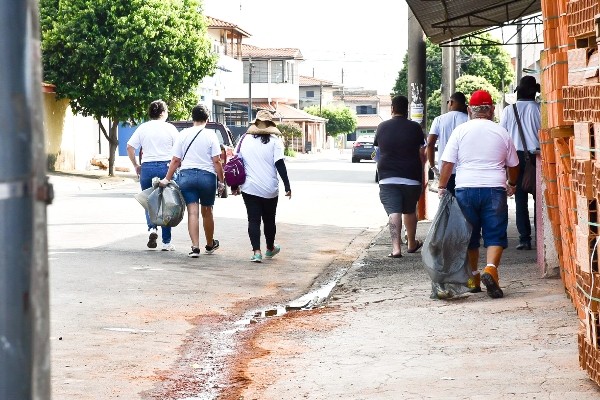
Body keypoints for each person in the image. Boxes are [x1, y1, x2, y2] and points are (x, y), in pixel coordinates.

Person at [438, 89, 520, 299]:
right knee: (495, 233)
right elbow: (514, 164)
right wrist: (511, 183)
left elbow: (448, 162)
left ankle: (474, 277)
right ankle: (491, 269)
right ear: (492, 110)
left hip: (465, 189)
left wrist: (441, 186)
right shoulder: (501, 132)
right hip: (494, 188)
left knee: (469, 235)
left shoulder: (460, 131)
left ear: (469, 110)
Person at [159, 104, 224, 258]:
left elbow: (175, 160)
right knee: (207, 211)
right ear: (207, 119)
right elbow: (216, 161)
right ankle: (209, 244)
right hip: (207, 177)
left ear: (192, 118)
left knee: (192, 212)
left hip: (186, 177)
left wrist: (167, 179)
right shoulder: (211, 135)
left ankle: (195, 247)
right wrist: (221, 181)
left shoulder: (183, 134)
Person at [230, 110, 291, 263]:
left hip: (249, 187)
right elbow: (280, 164)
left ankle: (256, 252)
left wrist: (235, 185)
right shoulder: (275, 141)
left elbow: (237, 163)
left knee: (253, 220)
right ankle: (270, 248)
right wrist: (287, 185)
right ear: (270, 125)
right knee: (269, 219)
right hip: (270, 188)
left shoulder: (244, 139)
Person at [374, 95, 426, 258]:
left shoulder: (382, 127)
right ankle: (411, 243)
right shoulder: (415, 128)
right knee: (410, 210)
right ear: (407, 109)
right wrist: (422, 176)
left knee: (394, 211)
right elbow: (422, 153)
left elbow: (378, 152)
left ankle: (396, 248)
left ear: (392, 109)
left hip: (387, 175)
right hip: (411, 175)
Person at [127, 99, 179, 251]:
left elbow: (130, 147)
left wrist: (136, 165)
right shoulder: (170, 128)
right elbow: (178, 150)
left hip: (147, 167)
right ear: (162, 112)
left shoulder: (143, 128)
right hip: (165, 167)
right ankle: (166, 242)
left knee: (149, 201)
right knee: (167, 204)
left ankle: (152, 229)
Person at [500, 75, 541, 250]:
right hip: (536, 158)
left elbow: (502, 136)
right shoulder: (539, 109)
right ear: (535, 93)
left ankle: (525, 239)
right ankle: (541, 238)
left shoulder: (510, 110)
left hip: (515, 158)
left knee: (520, 200)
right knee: (539, 199)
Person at [426, 92, 469, 195]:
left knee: (448, 204)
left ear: (451, 102)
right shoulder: (469, 119)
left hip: (445, 171)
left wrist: (432, 166)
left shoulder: (439, 120)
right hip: (465, 171)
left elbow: (430, 144)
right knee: (464, 206)